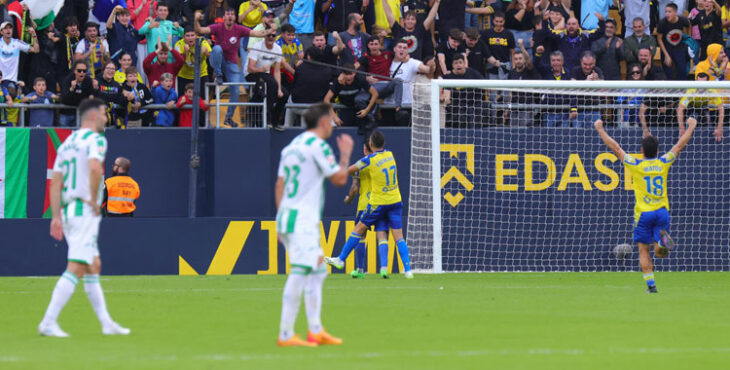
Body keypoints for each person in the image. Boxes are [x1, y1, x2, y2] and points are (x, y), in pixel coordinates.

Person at [38, 98, 131, 337]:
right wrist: (92, 198)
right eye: (102, 114)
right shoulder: (97, 140)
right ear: (91, 117)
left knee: (93, 265)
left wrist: (56, 215)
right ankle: (48, 321)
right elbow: (94, 168)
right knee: (77, 266)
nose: (106, 118)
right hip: (82, 209)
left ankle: (106, 323)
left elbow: (56, 181)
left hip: (69, 210)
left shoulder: (67, 142)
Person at [275, 102, 353, 347]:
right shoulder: (318, 146)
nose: (332, 123)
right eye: (331, 118)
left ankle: (315, 330)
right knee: (301, 271)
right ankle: (286, 333)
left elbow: (280, 185)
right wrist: (346, 155)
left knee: (318, 271)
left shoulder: (291, 147)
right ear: (322, 122)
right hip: (303, 220)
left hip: (288, 215)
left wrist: (279, 220)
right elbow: (340, 179)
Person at [594, 116, 698, 293]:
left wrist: (600, 129)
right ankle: (664, 242)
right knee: (660, 252)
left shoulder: (636, 165)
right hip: (662, 211)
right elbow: (680, 145)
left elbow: (616, 148)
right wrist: (691, 127)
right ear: (657, 150)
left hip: (643, 213)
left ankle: (651, 287)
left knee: (644, 250)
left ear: (641, 150)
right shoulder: (663, 162)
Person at [325, 130, 412, 279]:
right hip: (396, 200)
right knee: (399, 236)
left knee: (359, 229)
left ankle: (341, 259)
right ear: (384, 144)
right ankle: (408, 270)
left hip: (378, 203)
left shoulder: (368, 160)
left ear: (370, 144)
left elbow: (350, 170)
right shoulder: (390, 154)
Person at [194, 9, 273, 127]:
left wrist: (269, 30)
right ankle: (218, 74)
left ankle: (228, 118)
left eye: (232, 14)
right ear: (224, 17)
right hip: (218, 61)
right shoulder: (217, 27)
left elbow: (256, 33)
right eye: (228, 14)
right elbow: (199, 30)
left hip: (232, 63)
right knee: (216, 49)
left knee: (236, 90)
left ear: (235, 18)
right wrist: (196, 20)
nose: (230, 16)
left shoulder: (239, 29)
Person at [342, 139, 374, 279]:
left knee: (360, 235)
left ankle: (361, 269)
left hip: (365, 204)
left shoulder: (360, 165)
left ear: (365, 149)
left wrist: (349, 199)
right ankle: (385, 268)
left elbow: (355, 188)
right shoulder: (381, 162)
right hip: (381, 203)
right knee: (384, 234)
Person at [247, 27, 288, 129]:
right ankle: (265, 117)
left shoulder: (277, 49)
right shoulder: (257, 46)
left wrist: (279, 89)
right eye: (268, 35)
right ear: (264, 35)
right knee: (270, 85)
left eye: (273, 35)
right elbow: (250, 68)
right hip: (251, 73)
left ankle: (275, 121)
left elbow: (277, 71)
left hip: (265, 74)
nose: (271, 37)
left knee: (284, 94)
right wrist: (261, 69)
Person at [286, 47, 333, 127]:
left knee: (289, 100)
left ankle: (287, 126)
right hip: (316, 106)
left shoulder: (300, 68)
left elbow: (293, 86)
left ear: (309, 57)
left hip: (306, 107)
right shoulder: (328, 70)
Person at [324, 66, 379, 134]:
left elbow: (375, 93)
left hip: (358, 110)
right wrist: (334, 117)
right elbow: (326, 99)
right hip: (345, 109)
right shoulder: (338, 82)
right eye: (346, 74)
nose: (349, 77)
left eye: (351, 74)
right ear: (343, 74)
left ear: (355, 73)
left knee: (363, 132)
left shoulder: (360, 79)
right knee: (345, 132)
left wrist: (366, 110)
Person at [676, 72, 724, 142]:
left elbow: (721, 108)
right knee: (690, 121)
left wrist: (719, 128)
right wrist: (682, 128)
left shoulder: (711, 91)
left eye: (703, 83)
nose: (700, 86)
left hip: (704, 108)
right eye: (698, 83)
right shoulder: (691, 91)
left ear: (708, 83)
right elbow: (680, 109)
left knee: (709, 123)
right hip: (692, 108)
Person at [442, 54, 488, 127]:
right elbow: (447, 97)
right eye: (456, 63)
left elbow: (485, 85)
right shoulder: (448, 77)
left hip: (475, 105)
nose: (458, 65)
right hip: (458, 107)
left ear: (464, 64)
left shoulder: (473, 73)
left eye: (460, 62)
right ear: (452, 65)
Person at [174, 26, 211, 98]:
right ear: (183, 37)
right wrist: (185, 53)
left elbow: (213, 60)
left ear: (196, 36)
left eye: (192, 35)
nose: (190, 38)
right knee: (183, 101)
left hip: (201, 75)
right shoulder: (178, 44)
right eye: (187, 36)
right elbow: (179, 63)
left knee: (202, 101)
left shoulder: (203, 42)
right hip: (184, 76)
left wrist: (207, 53)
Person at [657, 3, 691, 80]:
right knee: (668, 70)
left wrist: (688, 39)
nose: (667, 14)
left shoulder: (683, 20)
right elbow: (659, 39)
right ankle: (669, 90)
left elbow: (689, 25)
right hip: (666, 48)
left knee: (682, 69)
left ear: (675, 12)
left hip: (679, 46)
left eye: (669, 12)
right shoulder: (662, 23)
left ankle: (683, 89)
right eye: (666, 12)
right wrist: (666, 55)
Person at [60, 61, 98, 127]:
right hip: (66, 113)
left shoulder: (88, 80)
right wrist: (72, 88)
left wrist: (95, 89)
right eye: (79, 71)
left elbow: (91, 97)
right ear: (74, 71)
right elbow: (64, 100)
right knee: (64, 136)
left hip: (80, 114)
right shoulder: (67, 80)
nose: (82, 73)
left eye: (84, 71)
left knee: (79, 135)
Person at [96, 61, 127, 129]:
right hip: (98, 121)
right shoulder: (96, 82)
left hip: (113, 122)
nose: (111, 71)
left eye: (113, 69)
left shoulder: (116, 85)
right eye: (108, 68)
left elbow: (120, 101)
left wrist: (128, 98)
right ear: (103, 70)